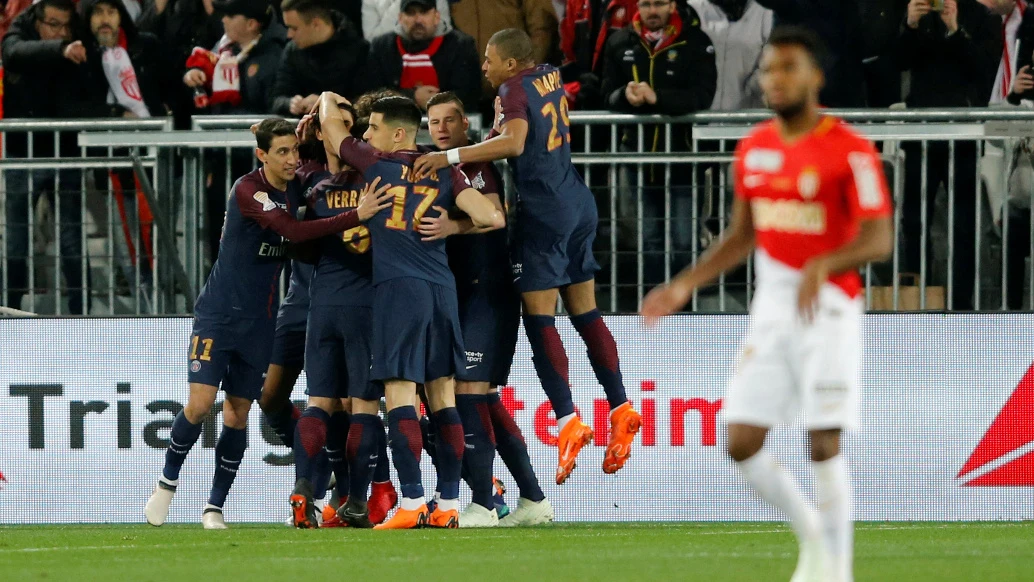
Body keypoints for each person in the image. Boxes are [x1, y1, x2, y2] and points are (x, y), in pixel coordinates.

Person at [641, 26, 893, 582]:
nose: (774, 80)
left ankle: (837, 570)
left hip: (830, 309)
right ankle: (814, 543)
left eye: (787, 68)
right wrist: (683, 284)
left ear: (815, 76)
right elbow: (741, 234)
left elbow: (880, 238)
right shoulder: (754, 148)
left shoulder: (849, 149)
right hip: (773, 306)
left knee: (823, 441)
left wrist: (823, 264)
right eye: (767, 70)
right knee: (741, 441)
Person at [413, 28, 642, 486]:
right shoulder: (548, 77)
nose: (484, 66)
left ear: (511, 64)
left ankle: (567, 421)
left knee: (540, 318)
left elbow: (516, 142)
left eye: (489, 58)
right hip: (578, 202)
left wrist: (450, 156)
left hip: (544, 213)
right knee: (586, 311)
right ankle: (621, 406)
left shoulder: (512, 88)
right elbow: (522, 128)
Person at [143, 118, 393, 529]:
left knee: (239, 412)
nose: (292, 158)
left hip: (260, 322)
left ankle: (214, 507)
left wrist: (313, 125)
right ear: (261, 155)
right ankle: (166, 486)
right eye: (281, 152)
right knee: (201, 403)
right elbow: (291, 231)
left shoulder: (298, 185)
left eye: (294, 150)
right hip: (219, 315)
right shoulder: (248, 189)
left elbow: (324, 159)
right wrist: (356, 215)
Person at [317, 92, 504, 529]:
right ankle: (449, 505)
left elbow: (331, 126)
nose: (366, 133)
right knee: (442, 398)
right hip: (442, 291)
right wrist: (453, 226)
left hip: (399, 293)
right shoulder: (443, 169)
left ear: (397, 133)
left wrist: (327, 97)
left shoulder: (375, 163)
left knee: (400, 397)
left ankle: (414, 501)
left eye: (374, 126)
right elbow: (493, 217)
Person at [417, 91, 553, 527]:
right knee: (483, 399)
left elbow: (493, 213)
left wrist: (451, 226)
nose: (440, 128)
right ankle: (532, 500)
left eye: (449, 120)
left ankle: (482, 502)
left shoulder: (472, 165)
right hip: (457, 297)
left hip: (487, 293)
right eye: (433, 121)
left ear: (465, 126)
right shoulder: (433, 168)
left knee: (469, 394)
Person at [898, 0, 1000, 309]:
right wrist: (911, 26)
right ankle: (916, 300)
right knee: (914, 222)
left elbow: (984, 68)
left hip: (963, 136)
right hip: (921, 134)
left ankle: (960, 304)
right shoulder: (917, 12)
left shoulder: (981, 16)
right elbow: (897, 62)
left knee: (964, 226)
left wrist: (956, 30)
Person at [2, 0, 94, 315]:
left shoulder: (79, 35)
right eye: (54, 25)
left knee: (71, 237)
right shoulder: (20, 29)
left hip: (66, 153)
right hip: (22, 153)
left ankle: (81, 313)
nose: (62, 32)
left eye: (66, 26)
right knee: (16, 239)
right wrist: (59, 49)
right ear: (37, 19)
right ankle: (9, 310)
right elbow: (13, 53)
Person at [366, 0, 481, 111]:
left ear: (436, 17)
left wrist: (436, 101)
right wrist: (412, 97)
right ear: (400, 18)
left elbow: (470, 94)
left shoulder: (461, 45)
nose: (418, 20)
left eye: (424, 12)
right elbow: (371, 94)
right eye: (411, 13)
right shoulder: (381, 47)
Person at [272, 0, 368, 116]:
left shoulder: (359, 51)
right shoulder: (292, 51)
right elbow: (277, 98)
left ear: (316, 24)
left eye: (294, 28)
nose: (289, 35)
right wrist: (290, 103)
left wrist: (327, 103)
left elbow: (366, 102)